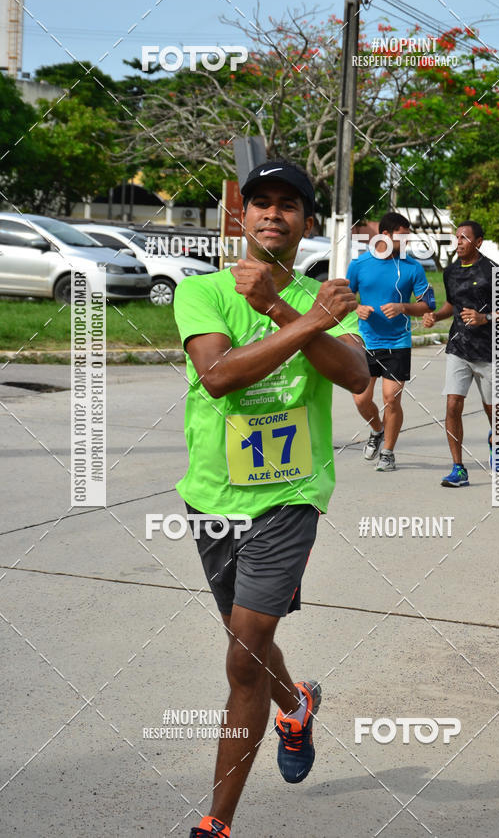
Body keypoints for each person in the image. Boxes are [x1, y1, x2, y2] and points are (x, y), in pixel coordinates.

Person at [173, 159, 369, 838]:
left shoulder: (329, 298)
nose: (273, 214)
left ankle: (215, 824)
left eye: (289, 205)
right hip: (213, 497)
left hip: (289, 497)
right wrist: (301, 321)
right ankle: (296, 705)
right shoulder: (200, 291)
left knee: (241, 654)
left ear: (307, 222)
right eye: (261, 203)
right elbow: (220, 376)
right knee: (248, 643)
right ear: (242, 216)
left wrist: (287, 310)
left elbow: (354, 377)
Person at [346, 212, 435, 472]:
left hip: (398, 341)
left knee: (391, 397)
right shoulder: (360, 264)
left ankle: (388, 451)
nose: (406, 242)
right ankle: (377, 429)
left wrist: (402, 307)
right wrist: (357, 309)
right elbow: (345, 298)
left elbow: (427, 304)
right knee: (361, 399)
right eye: (402, 237)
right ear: (385, 235)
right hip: (366, 341)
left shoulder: (412, 267)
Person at [422, 220, 497, 487]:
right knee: (453, 404)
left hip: (489, 351)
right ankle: (458, 468)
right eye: (457, 238)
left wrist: (484, 317)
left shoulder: (492, 271)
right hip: (458, 348)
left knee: (494, 412)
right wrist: (435, 316)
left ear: (478, 242)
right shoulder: (451, 272)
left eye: (465, 238)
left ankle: (495, 440)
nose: (459, 242)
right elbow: (451, 305)